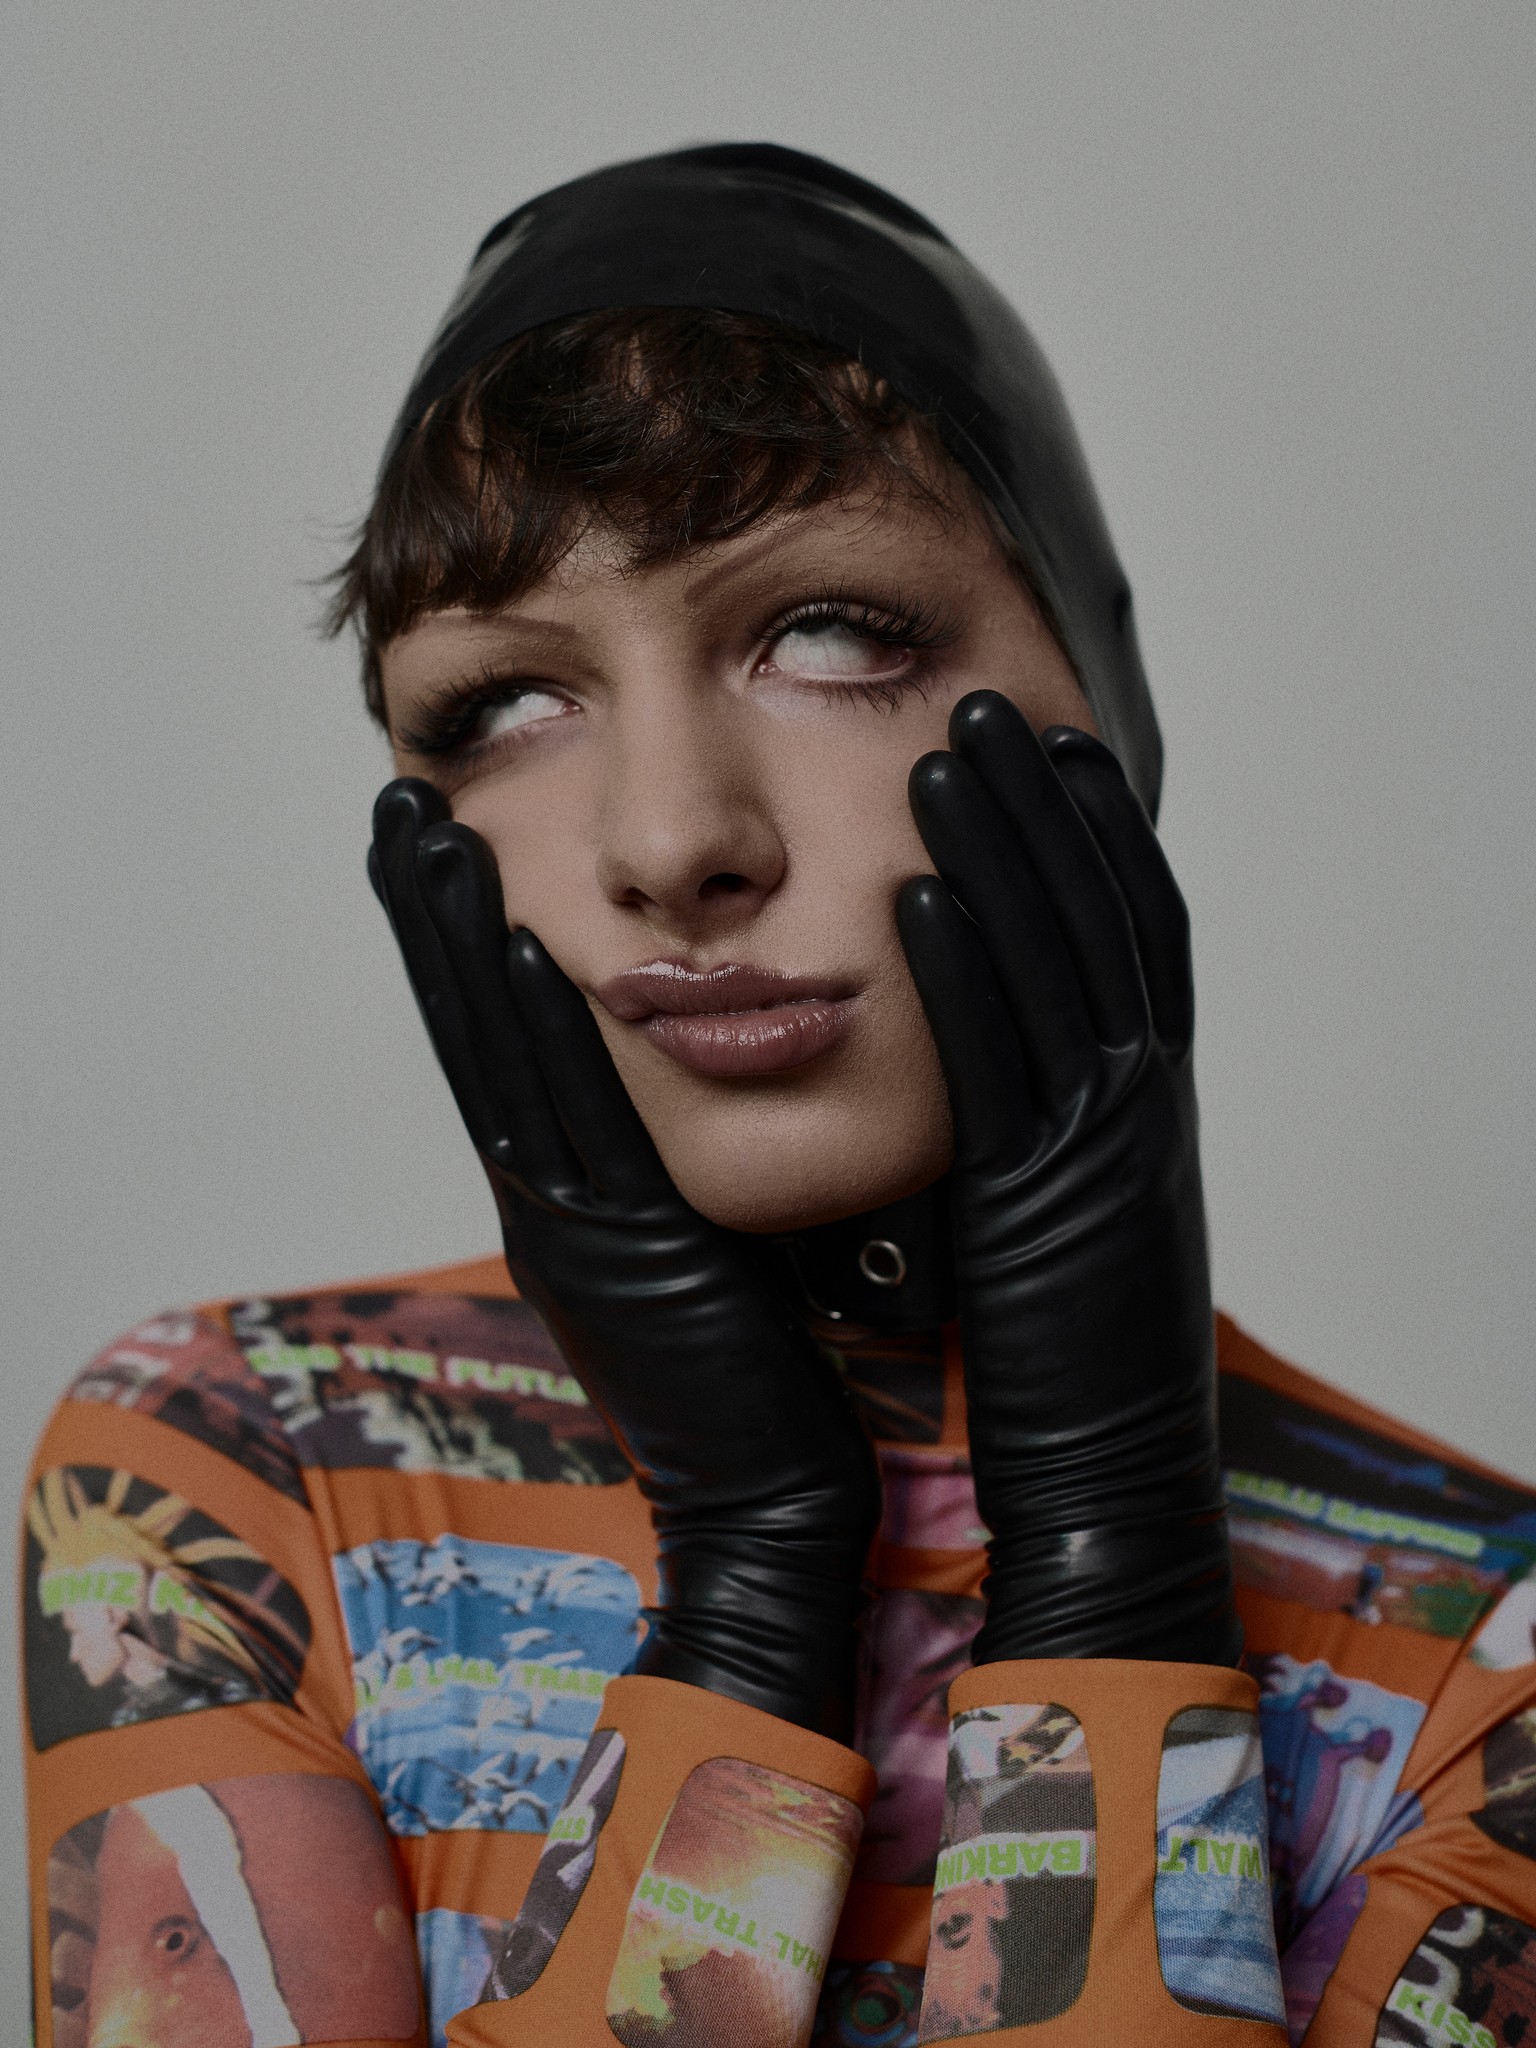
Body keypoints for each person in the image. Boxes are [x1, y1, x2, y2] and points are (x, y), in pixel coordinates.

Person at [23, 144, 1536, 2048]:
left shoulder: (1496, 1647)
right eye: (504, 703)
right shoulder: (236, 1472)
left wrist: (1107, 1551)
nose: (669, 840)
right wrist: (749, 1578)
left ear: (1099, 717)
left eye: (828, 634)